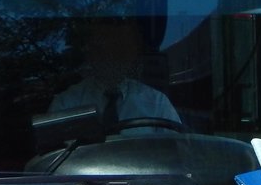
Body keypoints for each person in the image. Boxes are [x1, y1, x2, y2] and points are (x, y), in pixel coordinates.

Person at [50, 19, 180, 132]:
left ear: (131, 56)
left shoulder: (157, 103)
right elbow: (53, 155)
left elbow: (176, 151)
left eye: (119, 48)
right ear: (91, 55)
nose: (110, 56)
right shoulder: (66, 104)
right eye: (102, 48)